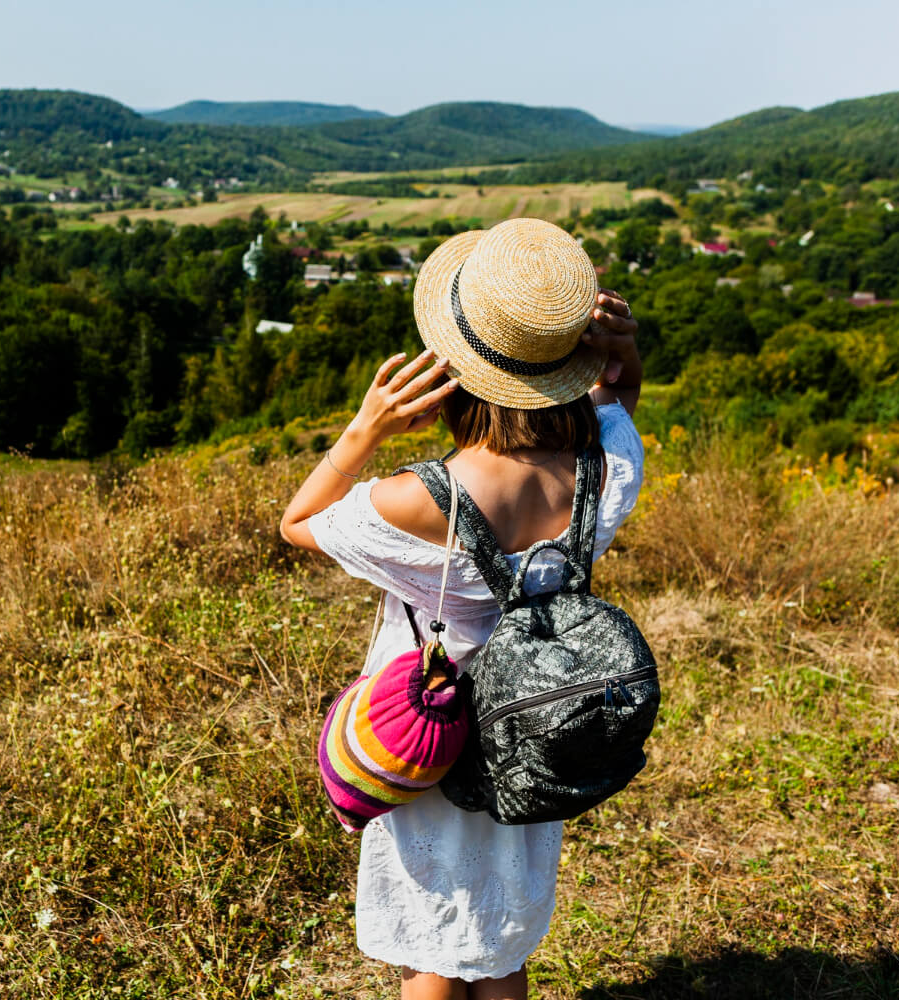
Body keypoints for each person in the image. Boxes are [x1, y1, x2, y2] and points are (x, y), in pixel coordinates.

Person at [280, 219, 646, 1000]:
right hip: (538, 725)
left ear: (458, 368)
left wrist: (363, 430)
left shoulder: (418, 500)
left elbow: (297, 523)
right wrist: (622, 369)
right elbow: (618, 415)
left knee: (432, 949)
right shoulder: (602, 468)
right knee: (500, 943)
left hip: (434, 732)